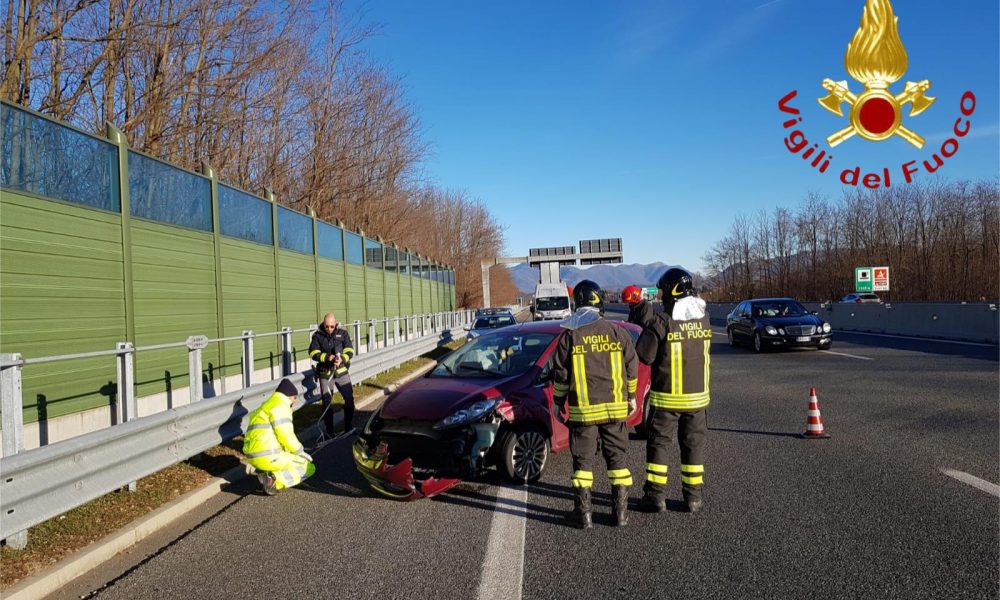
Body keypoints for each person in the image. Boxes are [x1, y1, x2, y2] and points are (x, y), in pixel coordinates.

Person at [551, 280, 639, 529]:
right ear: (599, 302)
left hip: (583, 413)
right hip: (615, 410)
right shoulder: (617, 332)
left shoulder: (570, 336)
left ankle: (584, 515)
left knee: (583, 463)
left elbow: (561, 374)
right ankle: (620, 515)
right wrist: (631, 397)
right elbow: (632, 366)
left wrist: (558, 402)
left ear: (578, 303)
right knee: (617, 460)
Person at [636, 268, 711, 514]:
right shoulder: (704, 318)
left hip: (667, 400)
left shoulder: (662, 321)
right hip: (698, 401)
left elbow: (644, 355)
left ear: (672, 293)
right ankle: (693, 498)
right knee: (693, 447)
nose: (661, 296)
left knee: (659, 445)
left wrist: (646, 326)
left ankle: (655, 497)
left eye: (663, 292)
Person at [243, 378, 315, 495]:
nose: (294, 402)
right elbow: (285, 435)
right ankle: (273, 480)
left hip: (253, 457)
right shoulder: (281, 406)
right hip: (268, 456)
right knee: (308, 467)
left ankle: (265, 472)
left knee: (288, 457)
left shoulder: (266, 406)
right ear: (290, 396)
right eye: (295, 398)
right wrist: (299, 451)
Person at [309, 313, 357, 438]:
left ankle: (348, 426)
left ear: (335, 324)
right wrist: (327, 357)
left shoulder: (343, 334)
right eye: (327, 326)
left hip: (341, 371)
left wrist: (342, 359)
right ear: (323, 324)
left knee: (349, 398)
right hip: (325, 373)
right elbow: (313, 353)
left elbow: (350, 350)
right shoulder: (317, 336)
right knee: (327, 402)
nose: (329, 329)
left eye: (331, 326)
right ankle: (330, 431)